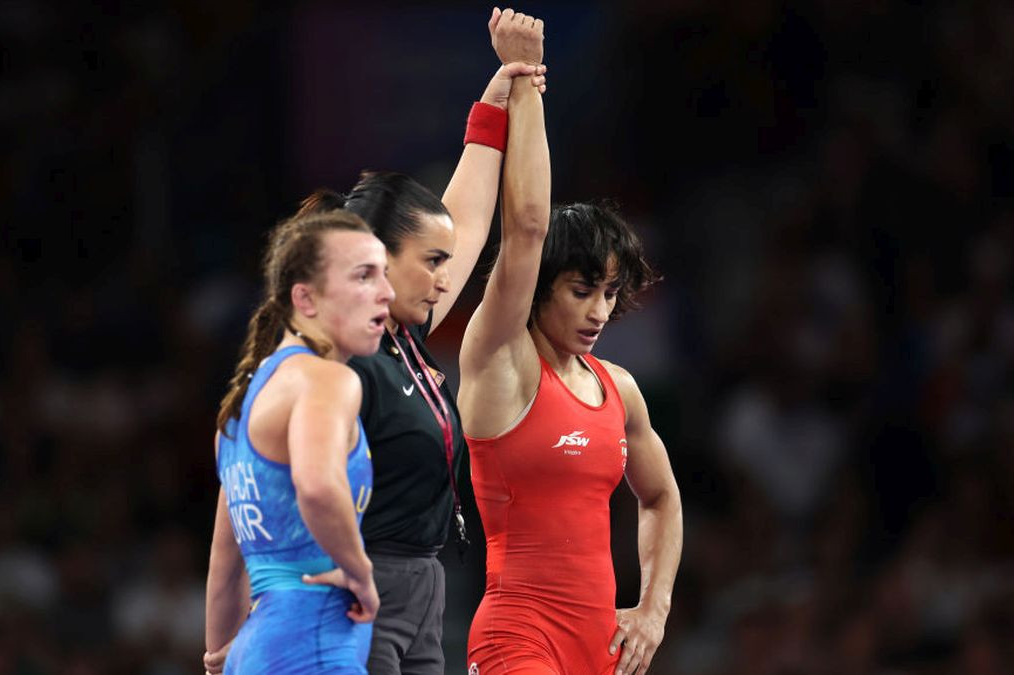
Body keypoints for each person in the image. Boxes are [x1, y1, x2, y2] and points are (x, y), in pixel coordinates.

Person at [285, 12, 548, 675]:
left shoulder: (401, 332)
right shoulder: (339, 352)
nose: (444, 277)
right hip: (358, 592)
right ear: (376, 258)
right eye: (429, 261)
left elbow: (471, 217)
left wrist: (496, 101)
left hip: (423, 591)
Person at [456, 16, 684, 675]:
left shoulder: (620, 389)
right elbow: (527, 226)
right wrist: (526, 81)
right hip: (516, 639)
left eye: (611, 293)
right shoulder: (500, 359)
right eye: (582, 289)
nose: (599, 311)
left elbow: (662, 497)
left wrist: (654, 608)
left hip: (601, 650)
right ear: (540, 287)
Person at [203, 209, 394, 674]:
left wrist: (215, 662)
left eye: (385, 274)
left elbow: (225, 569)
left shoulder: (240, 408)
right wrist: (361, 574)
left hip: (255, 651)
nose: (387, 292)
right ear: (305, 299)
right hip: (314, 648)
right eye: (364, 276)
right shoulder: (328, 381)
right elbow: (317, 486)